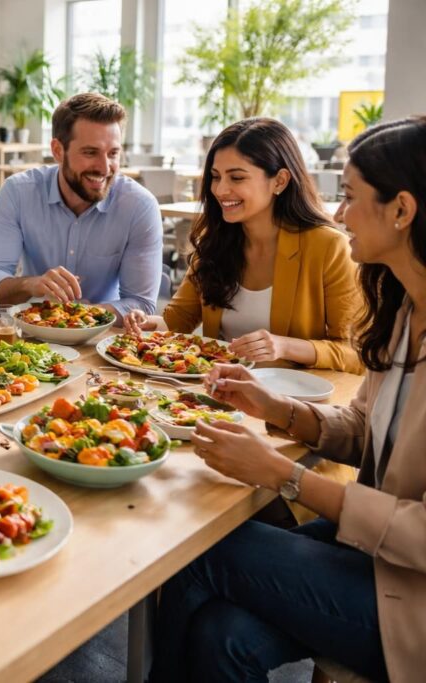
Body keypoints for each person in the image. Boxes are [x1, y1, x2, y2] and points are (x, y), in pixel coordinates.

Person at [149, 116, 426, 683]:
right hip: (375, 558)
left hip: (412, 598)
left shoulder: (334, 255)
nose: (339, 212)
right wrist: (276, 409)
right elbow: (362, 427)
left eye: (349, 197)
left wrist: (286, 476)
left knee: (194, 547)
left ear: (402, 210)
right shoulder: (403, 311)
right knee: (220, 635)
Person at [124, 118, 362, 375]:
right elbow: (177, 321)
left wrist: (286, 347)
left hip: (291, 400)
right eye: (215, 177)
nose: (220, 190)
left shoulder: (328, 247)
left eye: (237, 177)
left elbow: (356, 354)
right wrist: (147, 323)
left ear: (280, 181)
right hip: (217, 395)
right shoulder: (215, 241)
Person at [0, 92, 163, 321]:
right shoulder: (18, 193)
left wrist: (75, 318)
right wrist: (31, 285)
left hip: (105, 341)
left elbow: (141, 303)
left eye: (113, 153)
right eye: (90, 152)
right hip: (33, 338)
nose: (105, 168)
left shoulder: (139, 206)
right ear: (57, 151)